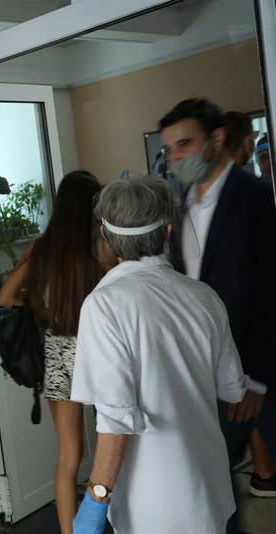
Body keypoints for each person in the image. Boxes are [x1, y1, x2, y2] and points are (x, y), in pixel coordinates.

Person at [70, 176, 246, 534]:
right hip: (209, 490)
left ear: (106, 236)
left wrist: (95, 498)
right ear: (167, 231)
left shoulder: (105, 305)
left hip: (153, 504)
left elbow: (116, 419)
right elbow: (231, 389)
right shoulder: (205, 296)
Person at [160, 99, 276, 520]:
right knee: (211, 487)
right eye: (170, 149)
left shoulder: (257, 198)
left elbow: (270, 291)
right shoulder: (179, 205)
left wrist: (257, 380)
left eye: (185, 144)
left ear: (217, 139)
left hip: (258, 372)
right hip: (205, 374)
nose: (176, 157)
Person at [0, 171, 104, 534]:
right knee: (116, 441)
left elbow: (6, 296)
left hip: (60, 348)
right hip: (99, 347)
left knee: (69, 458)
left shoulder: (42, 248)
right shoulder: (100, 246)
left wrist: (40, 308)